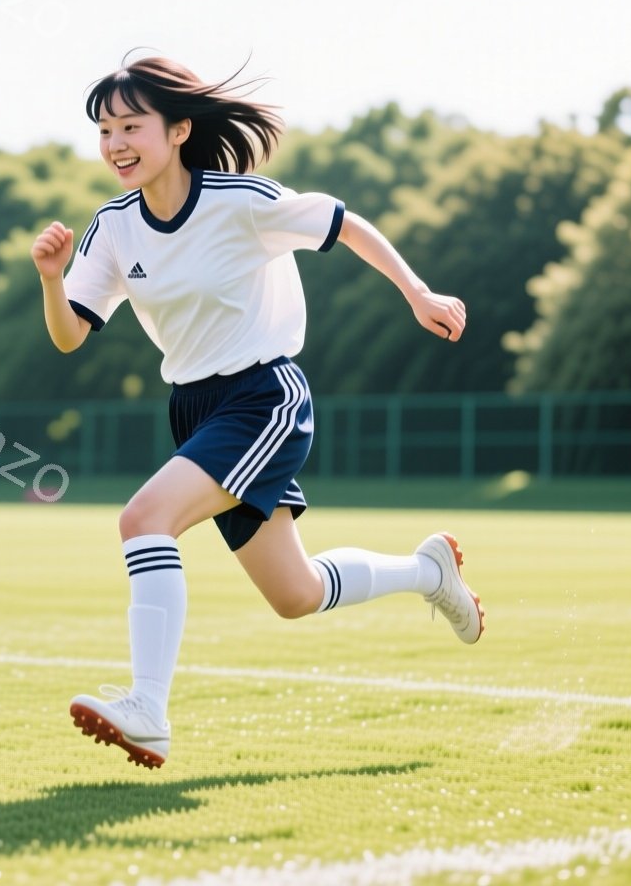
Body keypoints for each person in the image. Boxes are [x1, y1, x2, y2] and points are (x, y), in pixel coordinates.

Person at [30, 56, 485, 770]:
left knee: (143, 520)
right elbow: (68, 337)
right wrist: (52, 281)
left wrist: (418, 293)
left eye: (131, 126)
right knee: (295, 594)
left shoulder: (239, 201)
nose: (115, 143)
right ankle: (427, 573)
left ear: (179, 129)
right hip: (194, 408)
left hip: (264, 397)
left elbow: (346, 223)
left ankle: (148, 709)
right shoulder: (113, 226)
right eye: (105, 130)